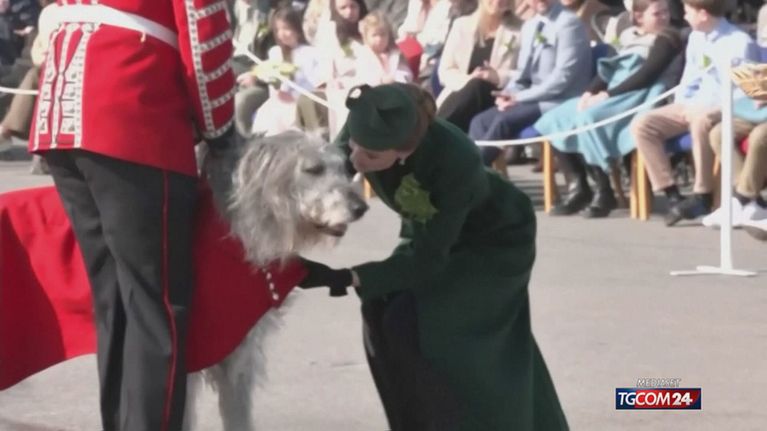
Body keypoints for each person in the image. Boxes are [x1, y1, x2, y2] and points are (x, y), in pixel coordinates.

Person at [299, 83, 568, 430]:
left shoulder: (455, 159)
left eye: (371, 157)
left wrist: (348, 276)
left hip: (492, 242)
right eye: (354, 146)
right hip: (430, 233)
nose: (356, 160)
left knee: (441, 333)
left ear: (404, 152)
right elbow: (334, 172)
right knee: (382, 312)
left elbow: (428, 258)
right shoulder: (371, 116)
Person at [29, 1, 236, 430]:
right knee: (155, 303)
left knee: (115, 299)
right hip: (132, 109)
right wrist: (219, 130)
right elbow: (201, 29)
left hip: (62, 112)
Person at [534, 0, 683, 217]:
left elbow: (646, 75)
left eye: (665, 12)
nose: (664, 17)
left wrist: (607, 95)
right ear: (638, 17)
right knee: (555, 118)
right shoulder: (626, 36)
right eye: (657, 13)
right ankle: (579, 186)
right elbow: (607, 71)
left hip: (639, 95)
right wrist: (589, 92)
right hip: (614, 89)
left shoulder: (667, 38)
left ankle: (604, 190)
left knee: (588, 119)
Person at [629, 0, 759, 226]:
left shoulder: (738, 42)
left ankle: (702, 193)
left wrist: (706, 108)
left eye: (688, 12)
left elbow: (747, 92)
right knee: (643, 124)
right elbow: (690, 78)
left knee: (701, 120)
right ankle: (671, 193)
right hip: (693, 103)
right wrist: (683, 104)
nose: (684, 17)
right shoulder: (696, 37)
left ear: (703, 14)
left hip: (725, 105)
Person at [468, 0, 592, 166]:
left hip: (560, 100)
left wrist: (518, 97)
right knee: (479, 121)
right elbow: (522, 74)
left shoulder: (569, 24)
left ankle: (471, 172)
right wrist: (507, 94)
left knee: (503, 122)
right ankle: (481, 173)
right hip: (531, 98)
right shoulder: (530, 26)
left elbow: (562, 79)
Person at [434, 0, 522, 132]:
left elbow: (526, 74)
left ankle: (432, 133)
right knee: (475, 84)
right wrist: (470, 79)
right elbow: (445, 71)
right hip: (459, 94)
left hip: (496, 98)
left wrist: (497, 76)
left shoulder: (521, 30)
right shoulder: (461, 25)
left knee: (478, 85)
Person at [250, 7, 324, 135]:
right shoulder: (275, 52)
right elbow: (272, 81)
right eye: (278, 30)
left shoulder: (311, 53)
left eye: (286, 29)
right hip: (278, 101)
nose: (282, 34)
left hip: (301, 103)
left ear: (297, 29)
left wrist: (293, 96)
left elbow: (314, 83)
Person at [357, 11, 414, 86]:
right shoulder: (363, 56)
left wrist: (396, 78)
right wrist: (381, 80)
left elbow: (407, 73)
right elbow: (363, 78)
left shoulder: (395, 53)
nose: (379, 39)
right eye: (374, 35)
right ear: (366, 37)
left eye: (383, 34)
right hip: (374, 90)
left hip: (396, 88)